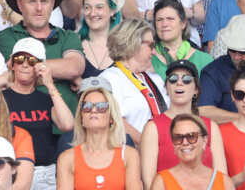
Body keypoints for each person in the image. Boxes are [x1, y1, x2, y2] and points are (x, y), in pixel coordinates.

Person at [0, 0, 86, 112]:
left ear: (52, 4)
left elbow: (73, 68)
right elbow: (18, 76)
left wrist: (27, 69)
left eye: (44, 1)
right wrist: (67, 76)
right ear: (20, 5)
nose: (38, 8)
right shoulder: (6, 37)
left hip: (69, 122)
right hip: (26, 120)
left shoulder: (68, 36)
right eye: (32, 2)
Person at [139, 60, 227, 190]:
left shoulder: (210, 126)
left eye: (187, 79)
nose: (179, 83)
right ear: (166, 88)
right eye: (173, 79)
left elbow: (221, 179)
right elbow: (148, 182)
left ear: (196, 89)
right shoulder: (153, 127)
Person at [3, 38, 74, 190]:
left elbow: (67, 125)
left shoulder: (46, 99)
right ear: (12, 64)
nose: (25, 64)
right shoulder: (0, 99)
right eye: (19, 59)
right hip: (12, 171)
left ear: (40, 67)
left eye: (32, 61)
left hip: (45, 173)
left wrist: (50, 84)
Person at [57, 77, 144, 190]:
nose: (93, 110)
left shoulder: (129, 155)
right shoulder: (67, 158)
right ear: (81, 117)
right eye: (87, 106)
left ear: (112, 117)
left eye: (101, 107)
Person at [98, 18, 168, 143]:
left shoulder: (155, 79)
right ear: (132, 44)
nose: (154, 52)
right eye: (151, 45)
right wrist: (150, 146)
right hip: (131, 151)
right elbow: (117, 123)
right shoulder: (109, 78)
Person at [149, 114, 232, 190]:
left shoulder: (225, 182)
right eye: (178, 138)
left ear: (204, 141)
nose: (185, 142)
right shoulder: (161, 183)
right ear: (173, 144)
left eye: (191, 136)